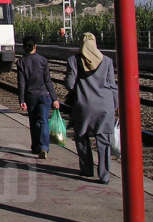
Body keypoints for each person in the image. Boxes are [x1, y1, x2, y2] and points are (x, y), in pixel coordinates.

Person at [65, 32, 118, 184]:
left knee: (81, 137)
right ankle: (104, 175)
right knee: (104, 142)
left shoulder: (74, 60)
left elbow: (69, 84)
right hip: (105, 107)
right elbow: (113, 87)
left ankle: (87, 169)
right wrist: (114, 106)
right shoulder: (107, 61)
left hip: (83, 106)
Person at [17, 36, 59, 159]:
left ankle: (36, 146)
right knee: (44, 121)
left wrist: (22, 100)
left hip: (31, 96)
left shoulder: (21, 62)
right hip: (44, 95)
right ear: (35, 46)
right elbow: (48, 81)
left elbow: (22, 83)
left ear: (24, 47)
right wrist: (54, 98)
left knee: (34, 122)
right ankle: (44, 147)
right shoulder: (43, 60)